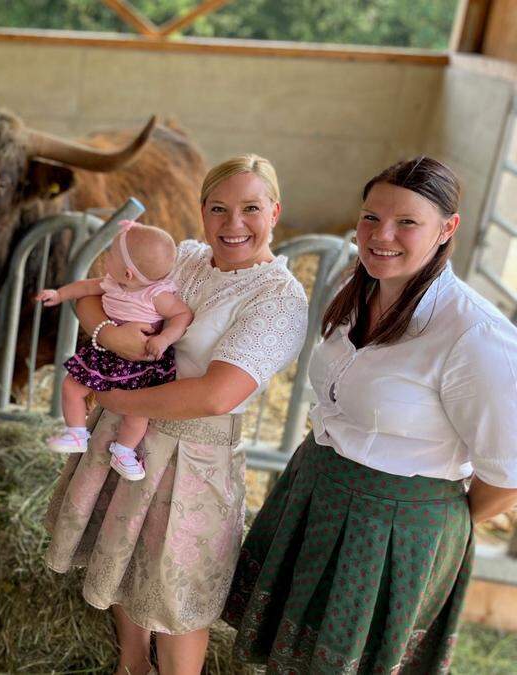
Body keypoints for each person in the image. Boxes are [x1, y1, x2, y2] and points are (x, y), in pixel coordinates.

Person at [223, 156, 517, 673]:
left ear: (448, 229)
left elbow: (508, 474)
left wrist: (423, 518)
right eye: (370, 218)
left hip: (397, 526)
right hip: (317, 489)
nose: (382, 235)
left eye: (407, 222)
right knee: (287, 656)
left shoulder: (474, 335)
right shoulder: (358, 287)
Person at [43, 154, 309, 675]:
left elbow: (216, 394)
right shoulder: (184, 256)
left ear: (275, 211)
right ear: (202, 211)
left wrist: (117, 400)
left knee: (176, 592)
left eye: (250, 209)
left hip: (193, 450)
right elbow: (100, 294)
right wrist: (109, 334)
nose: (233, 225)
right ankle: (131, 665)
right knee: (121, 556)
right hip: (127, 437)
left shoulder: (280, 298)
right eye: (219, 208)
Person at [36, 219, 193, 480]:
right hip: (106, 353)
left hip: (139, 362)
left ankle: (124, 451)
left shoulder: (157, 295)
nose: (105, 257)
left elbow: (182, 315)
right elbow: (85, 287)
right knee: (71, 387)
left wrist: (164, 339)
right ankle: (76, 433)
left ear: (128, 273)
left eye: (110, 254)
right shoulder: (112, 282)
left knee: (137, 411)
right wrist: (59, 294)